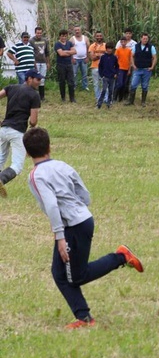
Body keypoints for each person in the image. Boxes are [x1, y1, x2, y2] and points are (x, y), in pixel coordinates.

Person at [22, 127, 144, 329]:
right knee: (59, 273)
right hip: (83, 220)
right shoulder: (63, 165)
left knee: (77, 275)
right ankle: (84, 317)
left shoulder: (36, 175)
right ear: (50, 147)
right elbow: (84, 194)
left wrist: (60, 236)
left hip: (73, 227)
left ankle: (121, 257)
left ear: (26, 152)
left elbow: (51, 205)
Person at [0, 69, 42, 198]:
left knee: (1, 158)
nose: (39, 82)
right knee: (17, 166)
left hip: (3, 129)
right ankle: (1, 179)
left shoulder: (11, 87)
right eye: (37, 79)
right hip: (17, 131)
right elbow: (33, 121)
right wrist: (32, 124)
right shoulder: (34, 95)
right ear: (29, 78)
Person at [127, 33, 157, 107]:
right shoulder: (136, 46)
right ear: (141, 38)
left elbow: (155, 57)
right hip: (137, 69)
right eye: (144, 38)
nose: (145, 40)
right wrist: (133, 65)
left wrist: (152, 66)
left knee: (145, 86)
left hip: (147, 70)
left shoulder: (151, 47)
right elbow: (131, 56)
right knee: (133, 85)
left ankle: (143, 102)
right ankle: (131, 101)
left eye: (146, 39)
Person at [54, 30, 77, 103]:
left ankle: (72, 98)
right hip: (61, 65)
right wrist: (69, 52)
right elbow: (61, 54)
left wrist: (66, 52)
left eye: (65, 36)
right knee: (62, 81)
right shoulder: (57, 44)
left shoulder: (69, 43)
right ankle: (63, 97)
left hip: (69, 64)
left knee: (71, 82)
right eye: (62, 36)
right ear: (60, 36)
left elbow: (74, 51)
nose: (64, 37)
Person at [30, 27, 50, 101]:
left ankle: (42, 97)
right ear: (35, 33)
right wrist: (33, 63)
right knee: (35, 80)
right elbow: (31, 53)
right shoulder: (31, 41)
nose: (39, 34)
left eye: (40, 33)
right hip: (36, 62)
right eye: (38, 33)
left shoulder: (45, 40)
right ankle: (33, 96)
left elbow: (47, 52)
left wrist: (48, 62)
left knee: (42, 79)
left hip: (43, 62)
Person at [96, 42, 118, 109]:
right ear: (106, 49)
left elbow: (117, 66)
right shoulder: (103, 57)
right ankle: (99, 104)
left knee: (111, 91)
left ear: (112, 49)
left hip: (112, 77)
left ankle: (109, 103)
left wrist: (115, 73)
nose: (109, 50)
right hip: (105, 76)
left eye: (111, 49)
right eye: (108, 49)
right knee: (104, 90)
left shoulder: (114, 57)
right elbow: (100, 66)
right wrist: (101, 75)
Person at [88, 31, 106, 103]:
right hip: (95, 67)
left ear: (102, 37)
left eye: (100, 36)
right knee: (96, 84)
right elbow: (92, 58)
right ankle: (98, 98)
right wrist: (100, 55)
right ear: (95, 37)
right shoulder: (92, 46)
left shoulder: (106, 45)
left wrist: (97, 55)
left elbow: (108, 57)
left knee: (104, 83)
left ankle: (105, 98)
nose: (99, 37)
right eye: (97, 36)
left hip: (104, 67)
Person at [70, 26, 90, 91]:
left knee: (84, 73)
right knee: (74, 74)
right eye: (75, 30)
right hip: (75, 59)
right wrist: (72, 58)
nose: (77, 31)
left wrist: (87, 57)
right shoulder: (72, 39)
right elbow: (70, 49)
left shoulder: (85, 38)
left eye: (78, 30)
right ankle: (74, 86)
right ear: (74, 31)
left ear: (81, 30)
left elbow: (88, 48)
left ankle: (85, 86)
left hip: (84, 58)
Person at [114, 37, 133, 102]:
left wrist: (129, 70)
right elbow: (115, 59)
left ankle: (120, 98)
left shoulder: (129, 50)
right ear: (120, 42)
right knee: (120, 84)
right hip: (120, 68)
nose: (123, 43)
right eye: (122, 42)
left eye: (125, 42)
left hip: (126, 68)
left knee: (124, 84)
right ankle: (114, 97)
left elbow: (130, 60)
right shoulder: (118, 50)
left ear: (126, 42)